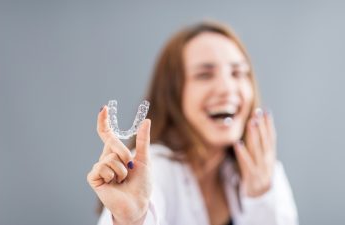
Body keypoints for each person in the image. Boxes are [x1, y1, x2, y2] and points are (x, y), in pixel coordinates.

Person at [87, 20, 298, 225]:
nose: (227, 88)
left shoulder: (263, 170)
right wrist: (131, 221)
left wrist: (261, 196)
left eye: (238, 73)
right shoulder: (152, 170)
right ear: (174, 94)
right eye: (204, 75)